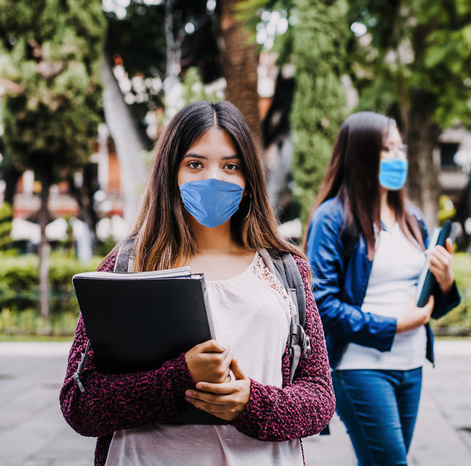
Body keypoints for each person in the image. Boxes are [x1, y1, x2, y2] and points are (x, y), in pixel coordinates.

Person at [60, 101, 335, 466]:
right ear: (170, 174)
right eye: (195, 164)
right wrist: (179, 378)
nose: (213, 179)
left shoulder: (286, 270)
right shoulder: (127, 265)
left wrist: (250, 403)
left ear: (250, 180)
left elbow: (320, 398)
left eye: (230, 166)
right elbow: (80, 403)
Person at [305, 111, 461, 466]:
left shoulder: (412, 217)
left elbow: (427, 301)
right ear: (360, 155)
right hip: (358, 367)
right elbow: (321, 305)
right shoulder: (331, 218)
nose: (398, 157)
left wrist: (446, 281)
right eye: (386, 150)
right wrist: (394, 326)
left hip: (411, 364)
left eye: (399, 148)